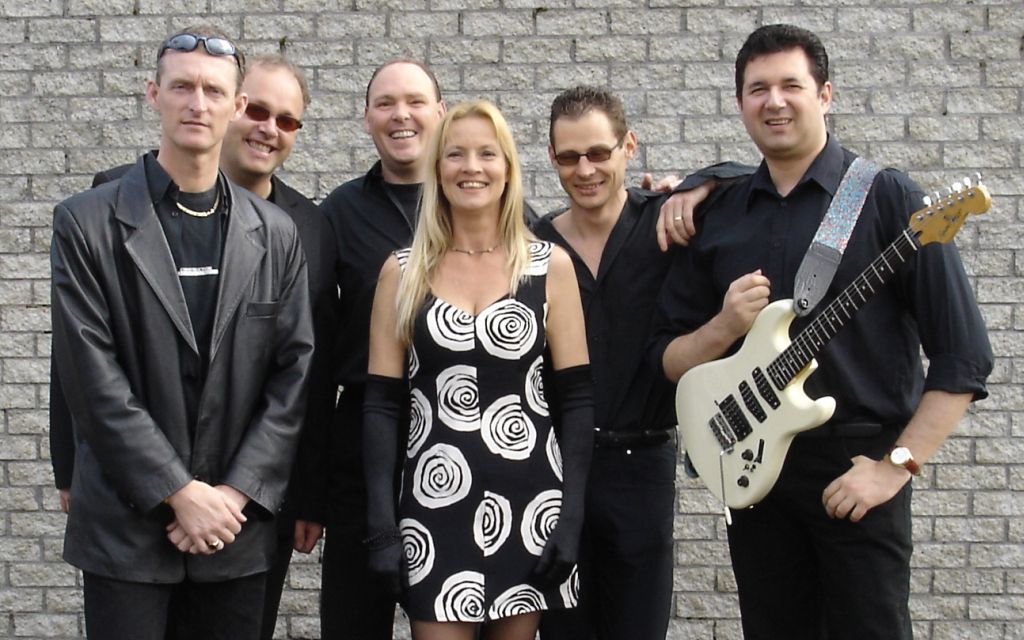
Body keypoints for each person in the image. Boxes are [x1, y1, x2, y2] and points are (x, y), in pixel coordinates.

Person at [648, 24, 993, 640]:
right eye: (758, 89)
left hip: (855, 470)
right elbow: (667, 358)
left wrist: (894, 467)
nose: (774, 102)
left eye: (791, 85)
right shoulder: (719, 211)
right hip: (756, 475)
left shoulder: (888, 198)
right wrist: (724, 325)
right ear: (740, 103)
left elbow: (963, 357)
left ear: (825, 95)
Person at [48, 54, 337, 640]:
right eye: (182, 86)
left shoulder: (278, 232)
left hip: (235, 529)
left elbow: (294, 376)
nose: (197, 104)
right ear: (153, 94)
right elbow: (91, 376)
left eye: (213, 90)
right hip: (127, 529)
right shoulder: (85, 222)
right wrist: (178, 494)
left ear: (233, 105)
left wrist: (231, 495)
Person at [362, 100, 593, 640]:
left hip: (532, 503)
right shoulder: (402, 272)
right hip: (433, 506)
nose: (472, 167)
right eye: (456, 154)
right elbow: (381, 405)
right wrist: (381, 527)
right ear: (437, 169)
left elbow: (578, 400)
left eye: (487, 154)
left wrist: (571, 518)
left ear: (508, 168)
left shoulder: (549, 266)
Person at [318, 59, 449, 640]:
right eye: (386, 103)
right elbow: (312, 350)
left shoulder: (486, 205)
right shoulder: (337, 214)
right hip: (361, 447)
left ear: (440, 113)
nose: (402, 115)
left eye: (416, 101)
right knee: (353, 624)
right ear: (366, 117)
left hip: (460, 435)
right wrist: (309, 493)